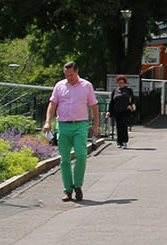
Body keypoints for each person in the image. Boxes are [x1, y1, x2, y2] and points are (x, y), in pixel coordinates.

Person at [43, 61, 98, 202]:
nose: (69, 78)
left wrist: (96, 125)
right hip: (63, 125)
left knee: (81, 155)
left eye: (71, 75)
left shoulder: (87, 86)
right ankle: (68, 190)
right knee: (65, 159)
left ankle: (78, 186)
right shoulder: (59, 86)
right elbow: (53, 104)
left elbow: (94, 106)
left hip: (80, 124)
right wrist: (48, 121)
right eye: (67, 75)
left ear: (77, 72)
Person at [109, 75, 136, 149]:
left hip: (125, 111)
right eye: (119, 83)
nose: (120, 84)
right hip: (117, 111)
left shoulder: (128, 90)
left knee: (124, 126)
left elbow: (132, 98)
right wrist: (109, 111)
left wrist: (130, 105)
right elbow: (112, 102)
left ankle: (124, 141)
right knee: (118, 127)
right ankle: (119, 142)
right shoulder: (115, 91)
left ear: (124, 83)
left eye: (122, 83)